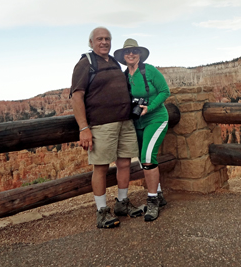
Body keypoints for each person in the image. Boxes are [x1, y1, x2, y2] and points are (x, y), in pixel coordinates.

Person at [71, 27, 143, 228]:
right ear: (91, 42)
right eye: (100, 39)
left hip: (124, 122)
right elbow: (77, 96)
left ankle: (122, 203)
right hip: (102, 125)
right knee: (101, 167)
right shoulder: (86, 63)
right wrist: (83, 128)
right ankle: (102, 211)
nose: (104, 42)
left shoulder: (112, 61)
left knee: (124, 163)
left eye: (107, 39)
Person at [114, 38, 170, 222]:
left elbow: (164, 91)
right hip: (136, 122)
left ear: (139, 54)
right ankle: (159, 195)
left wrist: (150, 107)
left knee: (147, 157)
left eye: (135, 51)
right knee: (142, 157)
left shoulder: (149, 70)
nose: (131, 54)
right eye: (128, 52)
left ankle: (152, 200)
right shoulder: (124, 76)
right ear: (123, 56)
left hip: (156, 118)